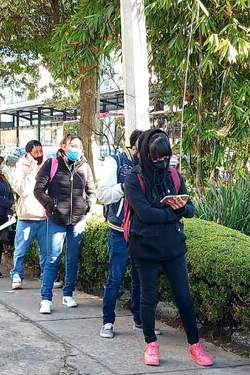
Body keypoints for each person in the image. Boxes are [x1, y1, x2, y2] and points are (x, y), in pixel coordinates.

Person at [122, 128, 212, 370]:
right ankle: (150, 343)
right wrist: (172, 212)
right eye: (156, 158)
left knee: (184, 297)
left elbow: (190, 209)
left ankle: (195, 344)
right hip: (145, 247)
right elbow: (145, 214)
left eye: (165, 158)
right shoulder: (134, 179)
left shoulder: (173, 175)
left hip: (173, 246)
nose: (162, 163)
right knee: (147, 297)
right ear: (145, 155)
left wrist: (177, 208)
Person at [95, 130, 150, 339]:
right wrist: (125, 187)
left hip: (141, 230)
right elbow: (103, 195)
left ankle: (139, 320)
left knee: (140, 278)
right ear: (133, 148)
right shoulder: (115, 162)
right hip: (119, 230)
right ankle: (107, 321)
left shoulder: (148, 166)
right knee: (115, 277)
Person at [33, 133, 95, 314]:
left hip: (77, 220)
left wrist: (87, 206)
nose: (76, 149)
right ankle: (46, 298)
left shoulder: (84, 167)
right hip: (56, 219)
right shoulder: (51, 164)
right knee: (52, 258)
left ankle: (68, 294)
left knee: (72, 259)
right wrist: (50, 205)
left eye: (79, 146)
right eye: (72, 145)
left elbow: (91, 190)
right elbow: (38, 189)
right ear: (63, 146)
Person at [9, 140, 47, 290]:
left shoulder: (46, 163)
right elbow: (21, 190)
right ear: (28, 153)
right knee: (21, 249)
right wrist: (32, 172)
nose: (39, 155)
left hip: (44, 215)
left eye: (40, 151)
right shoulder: (21, 166)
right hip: (27, 216)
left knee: (46, 250)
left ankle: (47, 277)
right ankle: (17, 275)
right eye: (35, 152)